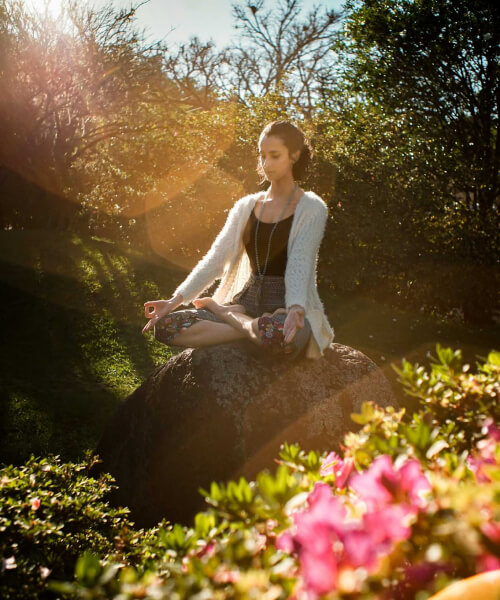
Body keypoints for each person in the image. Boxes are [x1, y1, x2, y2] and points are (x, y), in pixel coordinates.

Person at [142, 120, 334, 360]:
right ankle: (246, 327)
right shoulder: (246, 207)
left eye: (275, 156)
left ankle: (222, 312)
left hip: (286, 307)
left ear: (295, 155)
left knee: (280, 337)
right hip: (246, 300)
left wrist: (296, 307)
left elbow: (300, 262)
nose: (266, 164)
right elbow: (216, 259)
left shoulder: (313, 208)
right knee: (166, 326)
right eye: (262, 155)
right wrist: (174, 300)